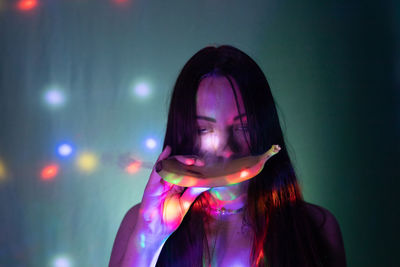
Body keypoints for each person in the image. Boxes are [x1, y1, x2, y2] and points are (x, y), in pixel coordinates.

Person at [109, 45, 346, 267]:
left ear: (264, 129)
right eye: (204, 129)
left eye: (243, 127)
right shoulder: (138, 224)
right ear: (184, 133)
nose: (226, 148)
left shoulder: (316, 227)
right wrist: (149, 240)